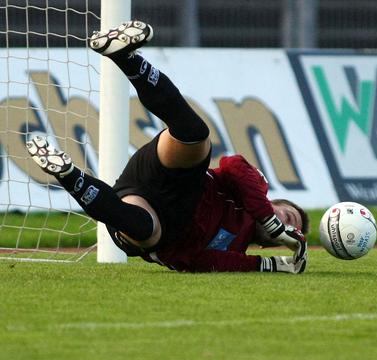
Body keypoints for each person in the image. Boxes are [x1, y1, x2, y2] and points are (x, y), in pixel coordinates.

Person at [26, 20, 308, 273]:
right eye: (289, 216)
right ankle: (127, 59)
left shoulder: (235, 251)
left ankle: (68, 175)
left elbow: (195, 262)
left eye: (293, 229)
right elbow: (233, 166)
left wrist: (268, 265)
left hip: (150, 217)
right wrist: (269, 218)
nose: (290, 225)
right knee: (196, 135)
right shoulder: (255, 191)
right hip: (176, 178)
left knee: (147, 230)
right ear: (275, 203)